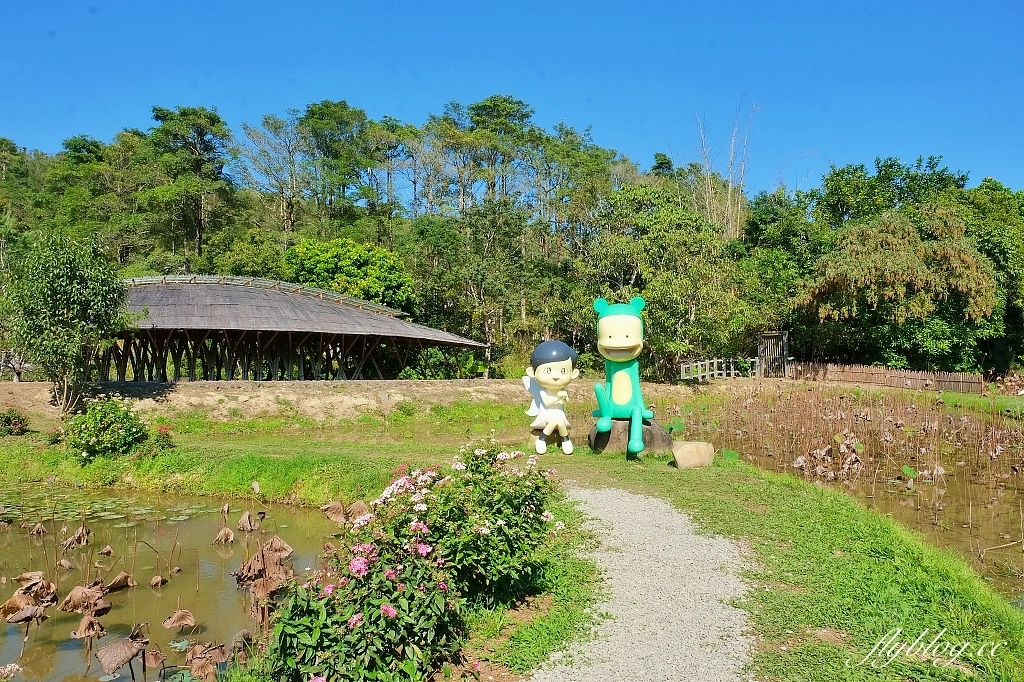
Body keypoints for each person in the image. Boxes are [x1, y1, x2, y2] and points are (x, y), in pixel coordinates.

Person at [523, 340, 580, 454]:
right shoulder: (543, 391)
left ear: (573, 373)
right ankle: (558, 439)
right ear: (532, 372)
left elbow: (566, 402)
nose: (555, 376)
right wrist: (558, 397)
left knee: (559, 421)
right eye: (548, 371)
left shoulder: (562, 390)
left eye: (563, 371)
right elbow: (548, 403)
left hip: (560, 416)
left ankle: (553, 439)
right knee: (556, 420)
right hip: (545, 416)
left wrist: (564, 397)